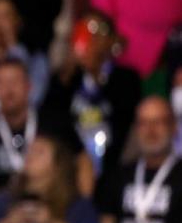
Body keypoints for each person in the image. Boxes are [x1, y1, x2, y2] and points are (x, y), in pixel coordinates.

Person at [42, 10, 141, 187]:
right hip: (71, 167)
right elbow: (51, 120)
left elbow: (125, 119)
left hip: (115, 165)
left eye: (98, 32)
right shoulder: (65, 79)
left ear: (112, 40)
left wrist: (96, 73)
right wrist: (67, 74)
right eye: (85, 32)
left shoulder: (126, 78)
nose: (91, 39)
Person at [0, 56, 87, 193]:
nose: (9, 89)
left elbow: (82, 160)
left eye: (15, 81)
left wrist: (81, 205)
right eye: (1, 83)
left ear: (29, 86)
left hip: (51, 206)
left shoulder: (54, 123)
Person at [98, 96, 182, 223]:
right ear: (135, 129)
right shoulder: (118, 175)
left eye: (158, 122)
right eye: (144, 123)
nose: (150, 130)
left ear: (174, 127)